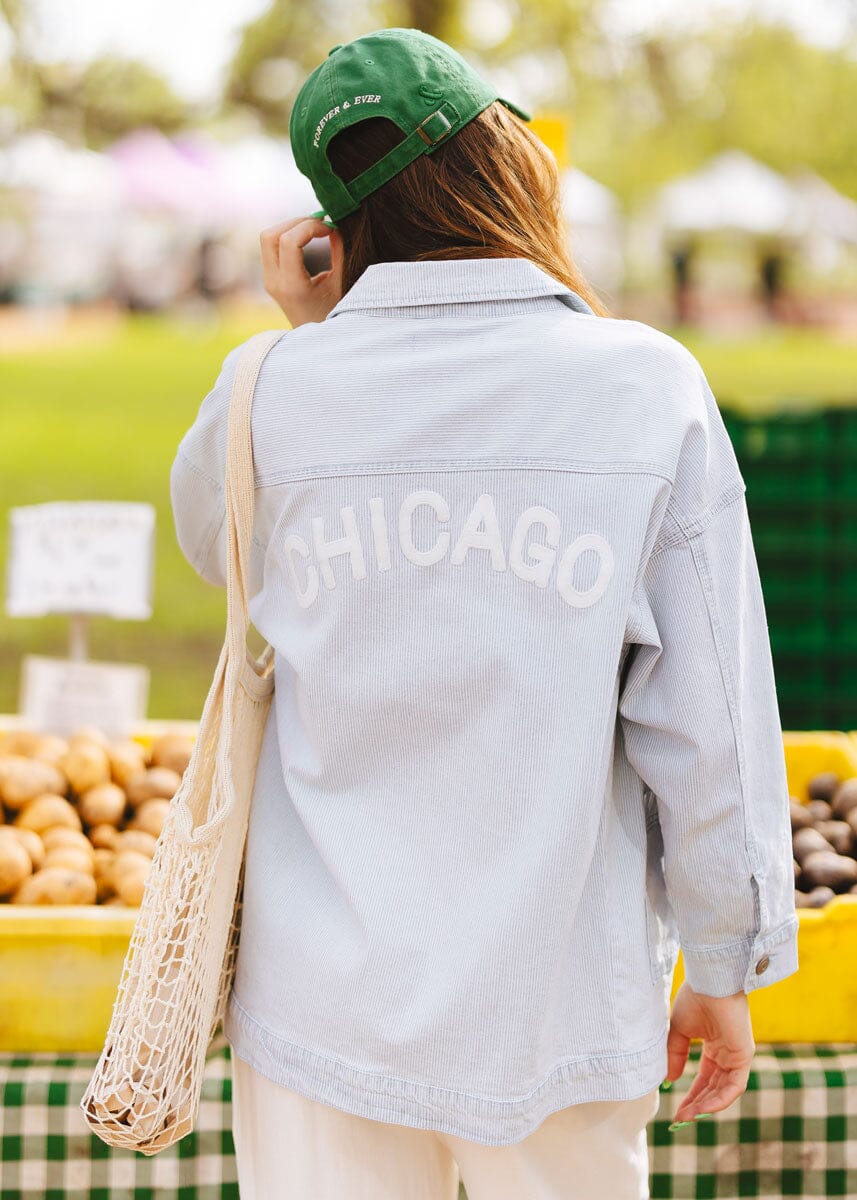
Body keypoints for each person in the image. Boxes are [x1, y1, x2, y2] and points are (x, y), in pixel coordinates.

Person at [169, 27, 799, 1200]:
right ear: (503, 163)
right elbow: (707, 715)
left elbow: (217, 546)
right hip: (556, 995)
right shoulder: (642, 384)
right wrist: (723, 959)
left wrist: (306, 338)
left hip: (320, 1004)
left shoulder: (265, 389)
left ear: (330, 221)